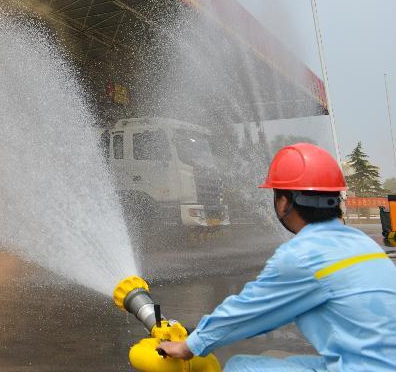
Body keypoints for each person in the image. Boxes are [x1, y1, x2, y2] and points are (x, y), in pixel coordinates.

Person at [158, 143, 396, 371]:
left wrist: (189, 346)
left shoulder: (303, 255)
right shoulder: (363, 243)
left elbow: (247, 313)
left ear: (284, 202)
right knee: (291, 362)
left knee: (241, 367)